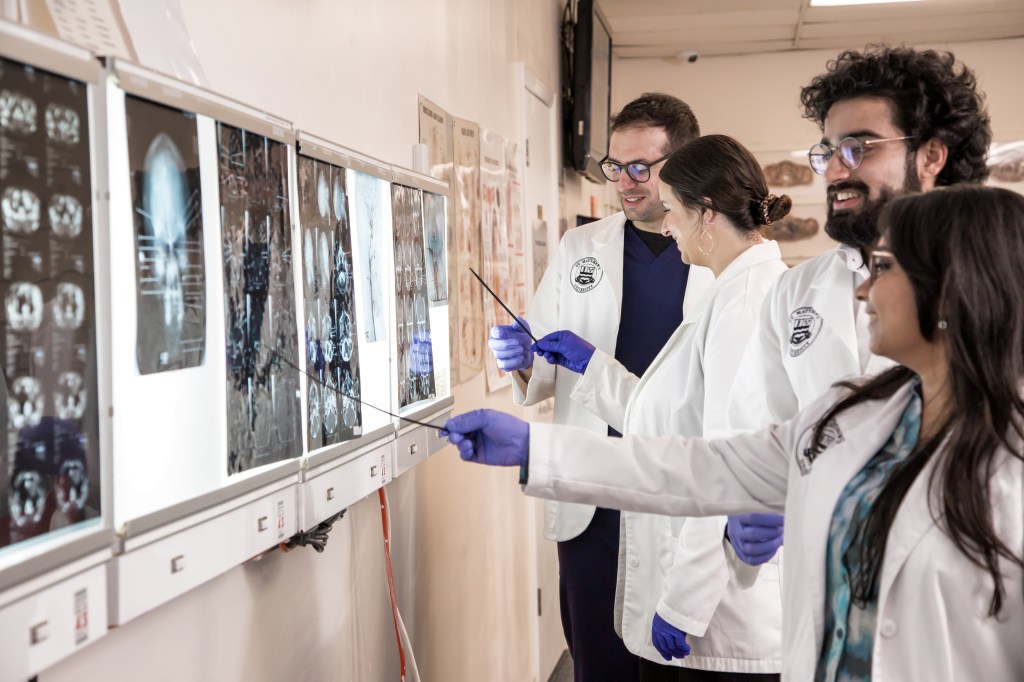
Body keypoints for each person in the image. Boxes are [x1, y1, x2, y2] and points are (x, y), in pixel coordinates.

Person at [443, 185, 1024, 681]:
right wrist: (530, 448)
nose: (864, 290)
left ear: (953, 289)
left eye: (886, 268)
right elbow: (702, 467)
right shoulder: (854, 416)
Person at [530, 135, 789, 680]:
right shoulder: (731, 291)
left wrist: (684, 604)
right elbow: (667, 419)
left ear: (706, 214)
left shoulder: (743, 304)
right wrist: (592, 367)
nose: (664, 225)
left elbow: (725, 465)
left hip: (720, 615)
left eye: (670, 209)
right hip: (698, 593)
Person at [486, 92, 711, 681]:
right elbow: (542, 360)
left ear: (682, 165)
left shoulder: (717, 254)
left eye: (643, 166)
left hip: (675, 487)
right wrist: (521, 359)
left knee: (675, 661)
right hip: (594, 493)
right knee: (598, 660)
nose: (627, 183)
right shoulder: (580, 248)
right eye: (616, 166)